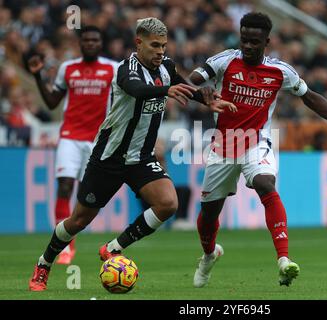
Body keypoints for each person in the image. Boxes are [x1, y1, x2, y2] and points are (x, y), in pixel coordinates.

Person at [28, 17, 236, 292]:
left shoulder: (167, 66)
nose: (160, 51)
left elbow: (184, 87)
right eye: (154, 45)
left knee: (167, 204)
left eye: (163, 45)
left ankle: (113, 248)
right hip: (109, 157)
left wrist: (207, 99)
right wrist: (166, 90)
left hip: (141, 157)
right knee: (78, 220)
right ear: (139, 42)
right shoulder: (126, 69)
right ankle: (44, 264)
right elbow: (136, 90)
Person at [188, 12, 327, 287]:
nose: (248, 46)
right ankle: (209, 255)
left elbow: (310, 97)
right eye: (244, 40)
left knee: (265, 184)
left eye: (254, 41)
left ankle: (283, 261)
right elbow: (193, 77)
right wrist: (200, 92)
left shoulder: (280, 71)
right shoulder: (225, 60)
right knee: (208, 214)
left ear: (267, 41)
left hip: (257, 141)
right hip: (224, 145)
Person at [27, 26, 118, 264]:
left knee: (86, 194)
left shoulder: (113, 69)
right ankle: (66, 247)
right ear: (80, 43)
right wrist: (37, 76)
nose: (90, 43)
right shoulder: (68, 69)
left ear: (101, 43)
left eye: (94, 40)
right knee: (65, 186)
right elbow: (51, 102)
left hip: (99, 140)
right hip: (70, 136)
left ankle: (70, 234)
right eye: (86, 40)